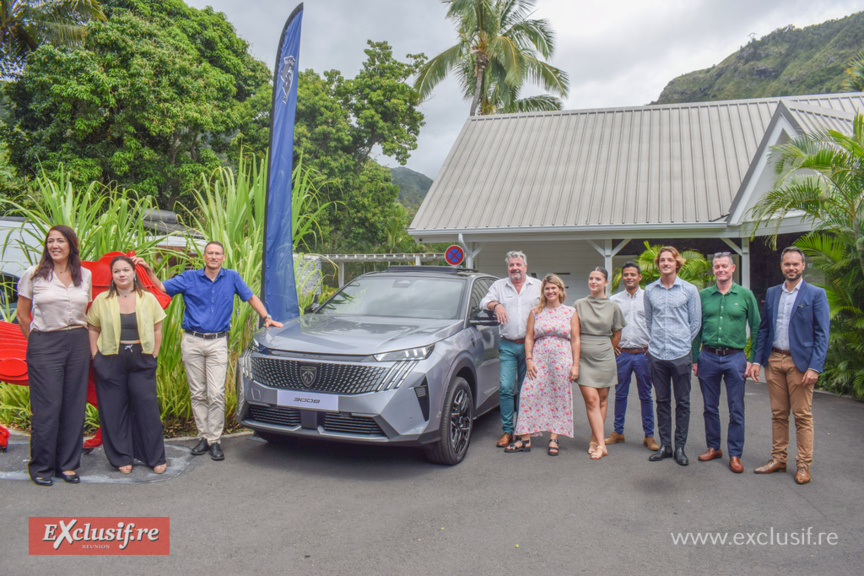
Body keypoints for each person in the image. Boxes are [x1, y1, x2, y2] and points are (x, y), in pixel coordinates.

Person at [135, 242, 282, 461]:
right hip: (192, 341)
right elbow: (162, 288)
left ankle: (215, 440)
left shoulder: (231, 277)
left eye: (217, 254)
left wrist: (267, 318)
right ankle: (203, 437)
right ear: (204, 256)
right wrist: (148, 270)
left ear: (223, 257)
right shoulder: (189, 278)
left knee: (216, 393)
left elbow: (251, 297)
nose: (213, 257)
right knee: (197, 392)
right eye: (210, 253)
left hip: (217, 342)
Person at [16, 225, 92, 486]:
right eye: (51, 241)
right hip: (45, 342)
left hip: (79, 342)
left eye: (61, 241)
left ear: (71, 244)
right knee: (47, 408)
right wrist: (37, 342)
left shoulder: (84, 274)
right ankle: (42, 466)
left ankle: (68, 465)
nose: (55, 245)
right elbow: (23, 315)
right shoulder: (34, 274)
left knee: (74, 406)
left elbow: (87, 311)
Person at [749, 247, 829, 485]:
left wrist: (815, 366)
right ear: (781, 266)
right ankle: (778, 459)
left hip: (801, 364)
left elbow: (822, 334)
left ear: (803, 266)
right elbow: (764, 329)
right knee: (778, 414)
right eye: (787, 264)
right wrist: (756, 360)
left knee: (802, 415)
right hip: (774, 360)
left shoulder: (816, 294)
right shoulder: (773, 293)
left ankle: (803, 464)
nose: (791, 268)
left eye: (795, 264)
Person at [87, 255, 167, 475]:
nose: (121, 274)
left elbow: (158, 328)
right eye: (117, 271)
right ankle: (122, 457)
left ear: (133, 273)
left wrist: (154, 355)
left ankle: (154, 456)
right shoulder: (102, 300)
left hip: (142, 358)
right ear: (112, 276)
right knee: (113, 409)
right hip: (111, 358)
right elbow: (92, 328)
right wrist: (95, 356)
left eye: (125, 270)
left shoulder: (148, 298)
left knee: (147, 408)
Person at [691, 253, 760, 474]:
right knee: (710, 407)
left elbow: (757, 327)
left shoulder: (745, 295)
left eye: (724, 266)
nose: (720, 269)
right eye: (717, 266)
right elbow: (696, 328)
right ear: (713, 269)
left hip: (735, 357)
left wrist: (753, 359)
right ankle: (713, 447)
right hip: (708, 356)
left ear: (733, 268)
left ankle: (735, 454)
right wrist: (694, 359)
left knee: (736, 408)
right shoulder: (703, 295)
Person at [505, 275, 579, 456]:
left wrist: (575, 364)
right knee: (528, 395)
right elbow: (529, 337)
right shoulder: (536, 312)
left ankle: (554, 437)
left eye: (554, 288)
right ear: (543, 292)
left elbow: (576, 339)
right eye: (547, 288)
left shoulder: (570, 312)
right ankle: (525, 438)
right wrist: (529, 359)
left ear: (561, 290)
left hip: (562, 360)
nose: (551, 291)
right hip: (539, 360)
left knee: (558, 397)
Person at [644, 246, 701, 466]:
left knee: (683, 402)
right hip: (657, 354)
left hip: (680, 354)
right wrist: (657, 341)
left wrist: (684, 343)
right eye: (662, 260)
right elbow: (649, 321)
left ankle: (679, 447)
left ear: (677, 263)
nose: (666, 263)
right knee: (662, 401)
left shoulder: (689, 290)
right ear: (658, 264)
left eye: (670, 260)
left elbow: (695, 323)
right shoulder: (650, 291)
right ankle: (665, 445)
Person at [479, 251, 542, 447]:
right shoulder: (499, 286)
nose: (515, 268)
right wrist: (496, 305)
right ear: (508, 267)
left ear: (525, 266)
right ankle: (507, 431)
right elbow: (483, 303)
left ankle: (523, 429)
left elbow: (551, 304)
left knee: (526, 390)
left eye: (518, 264)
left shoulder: (537, 287)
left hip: (530, 346)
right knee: (506, 388)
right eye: (511, 265)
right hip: (507, 344)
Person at [574, 267, 626, 460]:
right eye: (591, 278)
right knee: (592, 400)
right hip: (584, 358)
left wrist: (609, 349)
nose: (593, 282)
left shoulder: (613, 307)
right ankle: (602, 445)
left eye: (598, 279)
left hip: (605, 357)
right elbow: (574, 333)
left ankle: (595, 439)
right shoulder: (579, 304)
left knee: (603, 400)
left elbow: (618, 333)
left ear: (605, 282)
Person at [607, 262, 659, 451]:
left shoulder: (649, 297)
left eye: (633, 274)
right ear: (622, 277)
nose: (629, 277)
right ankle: (618, 431)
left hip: (644, 354)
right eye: (626, 274)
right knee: (620, 394)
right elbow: (607, 325)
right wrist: (612, 345)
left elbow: (657, 323)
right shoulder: (614, 300)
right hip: (623, 354)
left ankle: (649, 435)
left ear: (639, 277)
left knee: (646, 395)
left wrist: (653, 345)